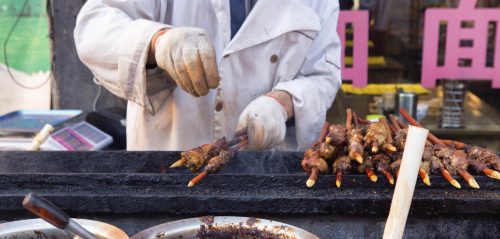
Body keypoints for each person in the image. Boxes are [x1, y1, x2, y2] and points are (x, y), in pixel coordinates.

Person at [74, 0, 341, 151]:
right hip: (166, 167)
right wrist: (159, 42)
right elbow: (95, 26)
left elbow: (322, 76)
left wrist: (282, 103)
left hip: (265, 177)